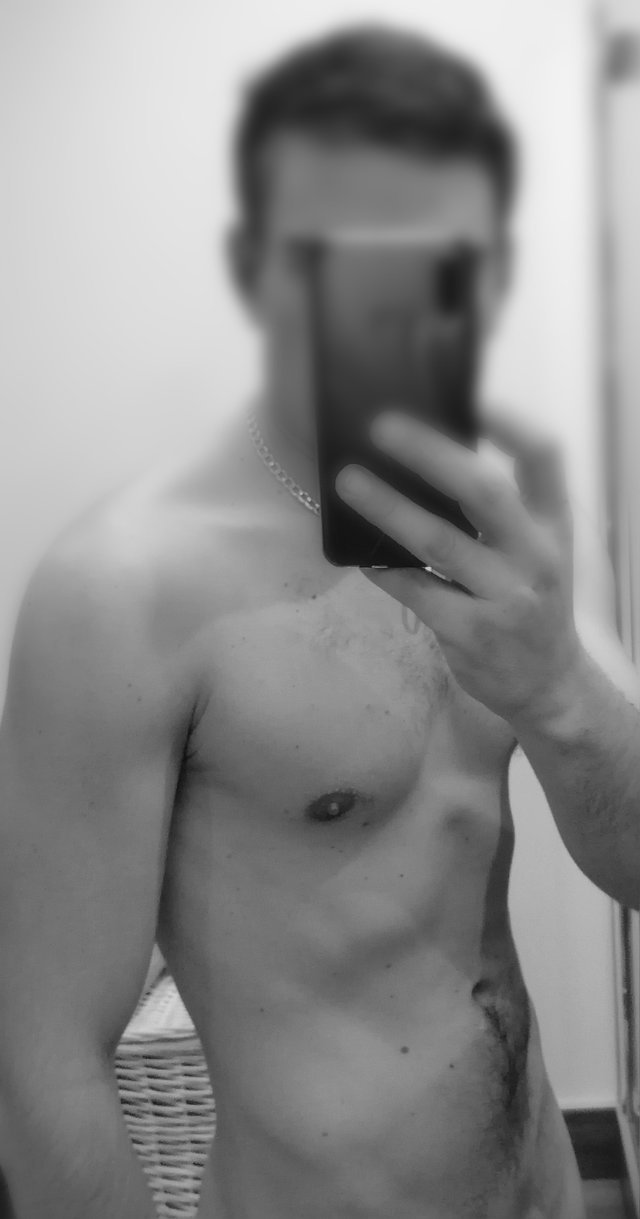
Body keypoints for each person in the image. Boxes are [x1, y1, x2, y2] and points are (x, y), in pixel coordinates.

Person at [0, 24, 638, 1219]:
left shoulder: (529, 521)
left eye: (443, 251)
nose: (400, 295)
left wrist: (559, 692)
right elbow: (44, 1069)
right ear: (256, 265)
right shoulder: (122, 591)